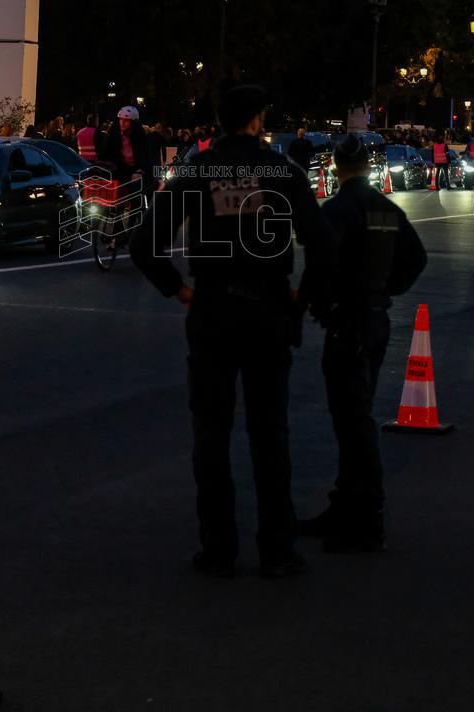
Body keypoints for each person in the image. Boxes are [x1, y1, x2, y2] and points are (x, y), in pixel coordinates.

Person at [130, 85, 334, 578]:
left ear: (219, 121)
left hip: (214, 308)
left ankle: (218, 547)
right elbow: (323, 246)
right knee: (270, 433)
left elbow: (144, 244)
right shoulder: (283, 172)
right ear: (259, 120)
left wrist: (180, 291)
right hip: (267, 307)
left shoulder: (198, 171)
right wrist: (299, 300)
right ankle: (278, 548)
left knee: (211, 431)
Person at [300, 134, 427, 553]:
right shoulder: (387, 209)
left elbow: (319, 262)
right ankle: (347, 506)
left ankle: (367, 517)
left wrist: (310, 306)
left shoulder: (337, 210)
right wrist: (386, 289)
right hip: (376, 320)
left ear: (336, 166)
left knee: (353, 422)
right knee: (357, 414)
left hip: (347, 323)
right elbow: (416, 259)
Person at [100, 105, 148, 182]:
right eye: (121, 120)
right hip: (119, 174)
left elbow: (145, 156)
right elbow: (105, 156)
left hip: (137, 172)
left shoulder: (140, 137)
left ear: (133, 122)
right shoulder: (113, 136)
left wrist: (141, 170)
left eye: (126, 120)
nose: (122, 123)